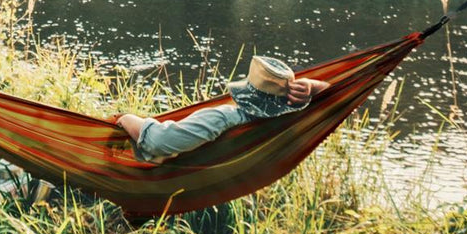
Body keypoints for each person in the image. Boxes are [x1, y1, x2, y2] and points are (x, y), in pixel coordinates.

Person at [116, 55, 329, 163]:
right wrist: (312, 87)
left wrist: (127, 118)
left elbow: (159, 142)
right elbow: (334, 94)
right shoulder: (290, 119)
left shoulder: (225, 117)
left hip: (165, 176)